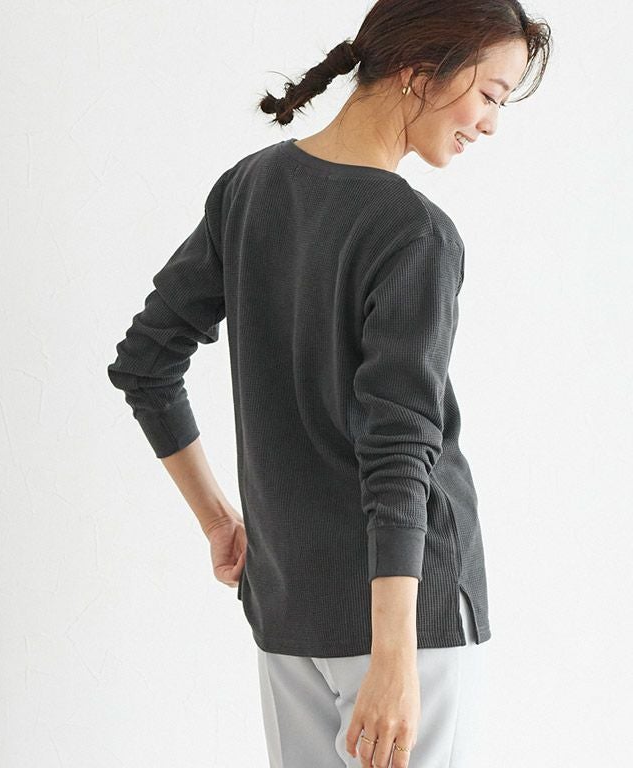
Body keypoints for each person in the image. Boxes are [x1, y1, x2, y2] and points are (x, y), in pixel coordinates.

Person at [107, 1, 552, 765]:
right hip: (409, 624)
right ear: (420, 73)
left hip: (289, 602)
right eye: (490, 95)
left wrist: (219, 521)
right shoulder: (413, 232)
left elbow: (146, 363)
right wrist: (395, 658)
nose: (489, 124)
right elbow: (400, 448)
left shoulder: (249, 188)